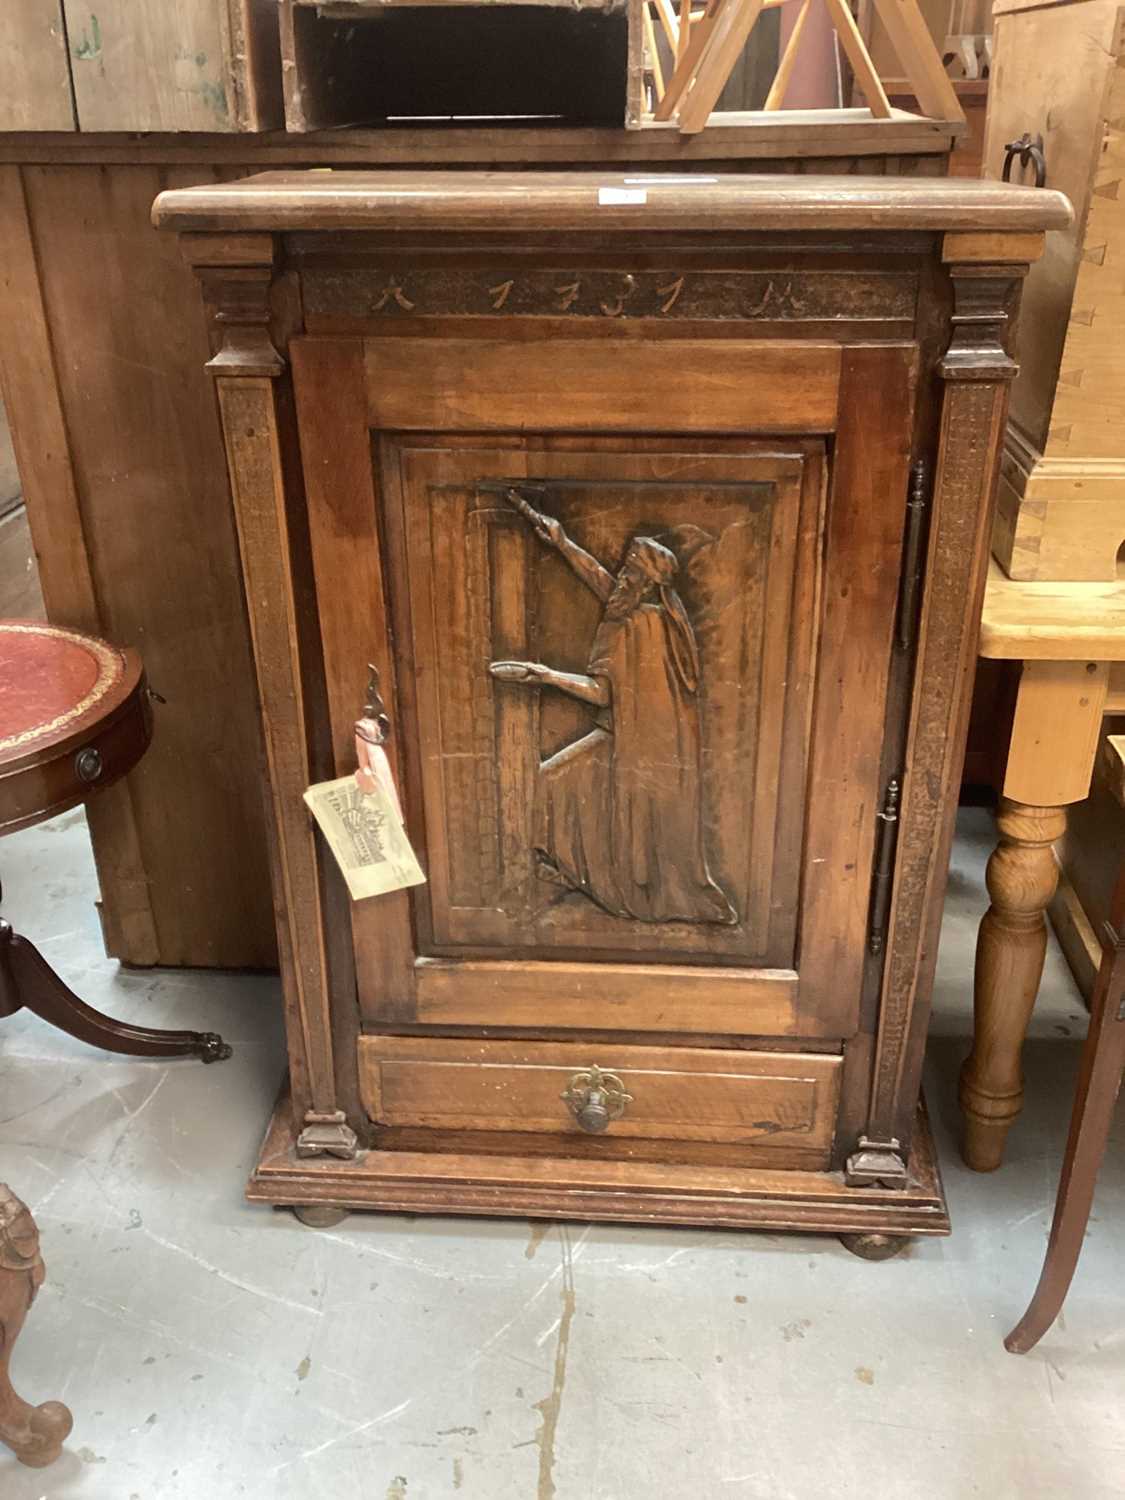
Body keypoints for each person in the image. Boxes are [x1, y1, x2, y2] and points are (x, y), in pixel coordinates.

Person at [490, 496, 736, 925]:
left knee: (551, 779)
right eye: (622, 570)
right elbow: (605, 587)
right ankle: (573, 869)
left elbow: (603, 694)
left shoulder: (643, 627)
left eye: (629, 573)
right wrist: (563, 543)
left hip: (630, 748)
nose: (619, 579)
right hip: (631, 741)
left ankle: (588, 874)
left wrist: (544, 675)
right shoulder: (650, 614)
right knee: (554, 781)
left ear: (645, 586)